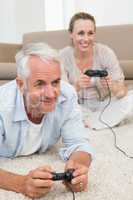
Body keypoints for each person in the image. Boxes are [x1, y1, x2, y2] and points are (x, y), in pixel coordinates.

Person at [0, 43, 93, 198]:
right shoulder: (3, 105)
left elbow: (79, 143)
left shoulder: (67, 95)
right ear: (21, 84)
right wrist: (20, 183)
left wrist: (78, 168)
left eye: (55, 82)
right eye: (40, 84)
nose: (51, 94)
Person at [60, 12, 133, 130]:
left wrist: (112, 86)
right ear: (71, 34)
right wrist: (77, 86)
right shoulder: (62, 56)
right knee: (58, 107)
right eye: (80, 33)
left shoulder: (105, 52)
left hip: (105, 104)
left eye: (90, 33)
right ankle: (102, 121)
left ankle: (90, 122)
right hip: (79, 106)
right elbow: (61, 96)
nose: (86, 39)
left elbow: (122, 92)